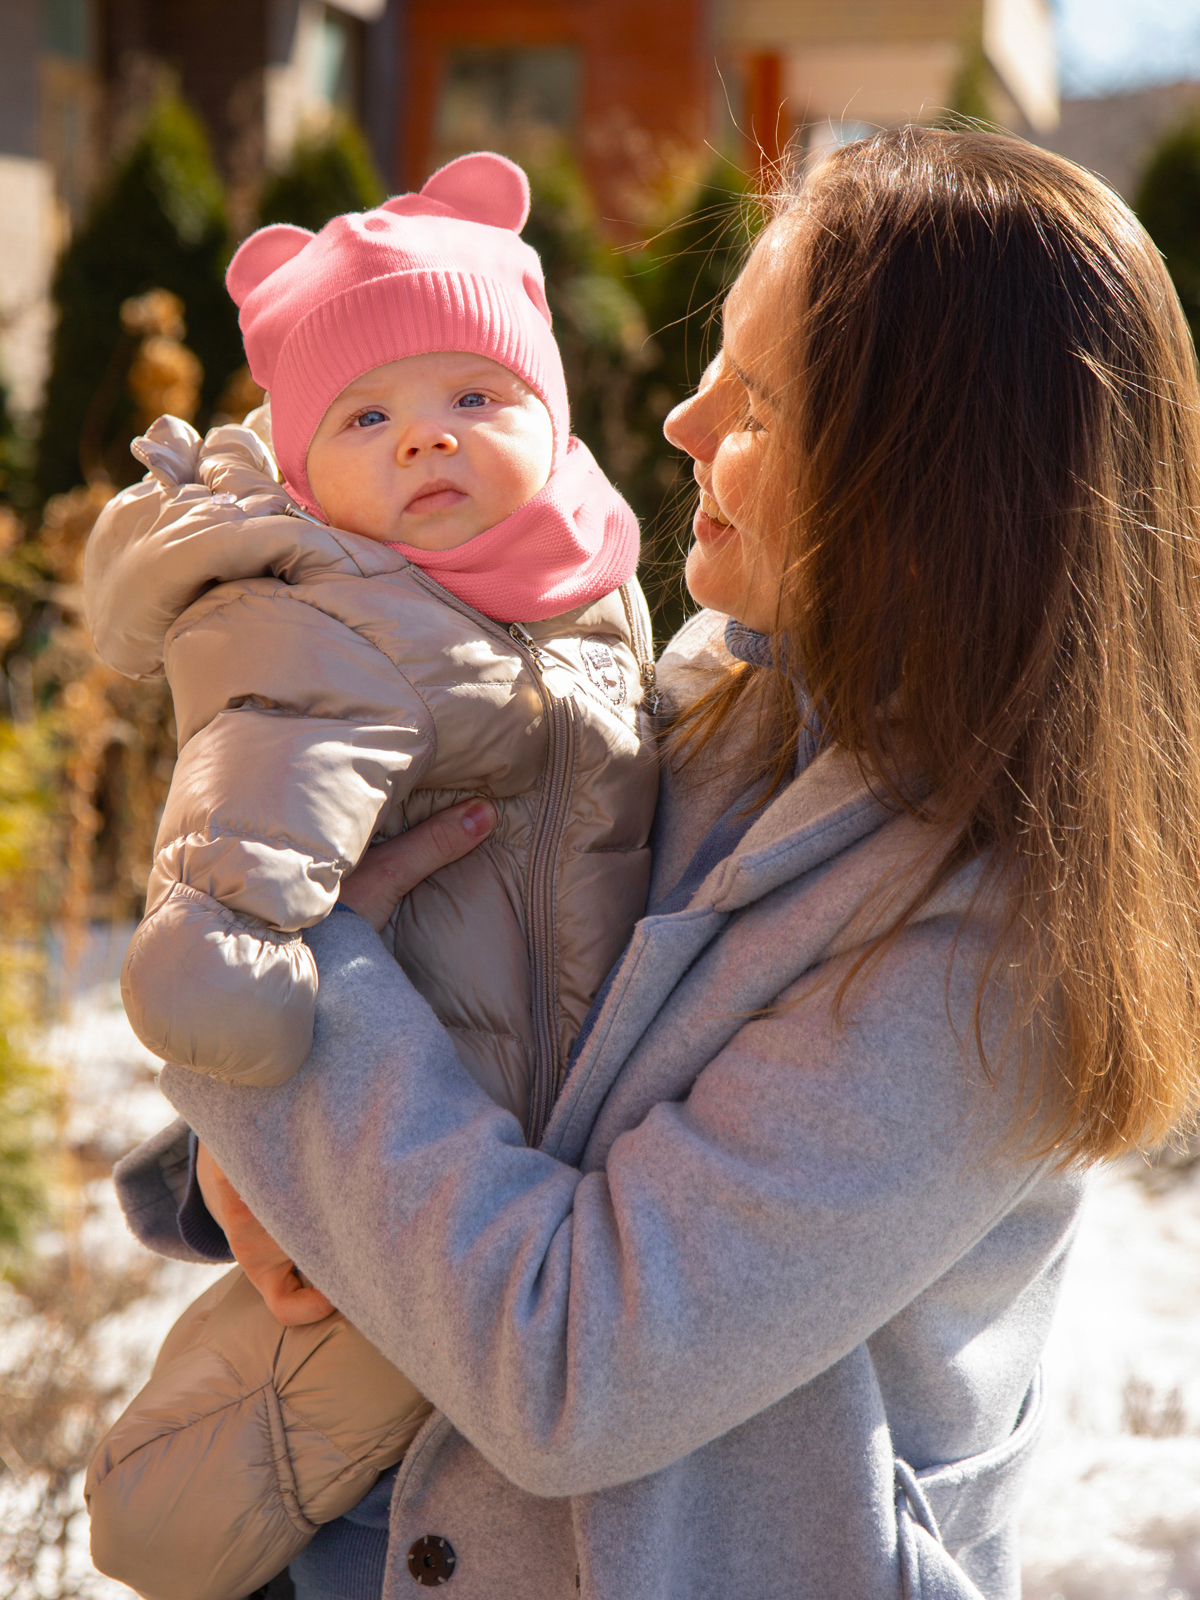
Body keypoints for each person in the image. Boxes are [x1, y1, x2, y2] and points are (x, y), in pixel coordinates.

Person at [102, 127, 1200, 1599]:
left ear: (930, 476)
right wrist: (253, 1147)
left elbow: (571, 1366)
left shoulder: (988, 960)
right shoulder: (710, 701)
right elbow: (472, 999)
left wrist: (307, 1009)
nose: (681, 424)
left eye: (754, 399)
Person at [81, 151, 657, 1596]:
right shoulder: (328, 614)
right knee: (337, 1460)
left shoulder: (585, 586)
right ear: (303, 458)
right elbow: (256, 792)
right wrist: (228, 972)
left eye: (476, 396)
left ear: (553, 414)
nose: (426, 440)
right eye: (369, 415)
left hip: (525, 1160)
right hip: (390, 1139)